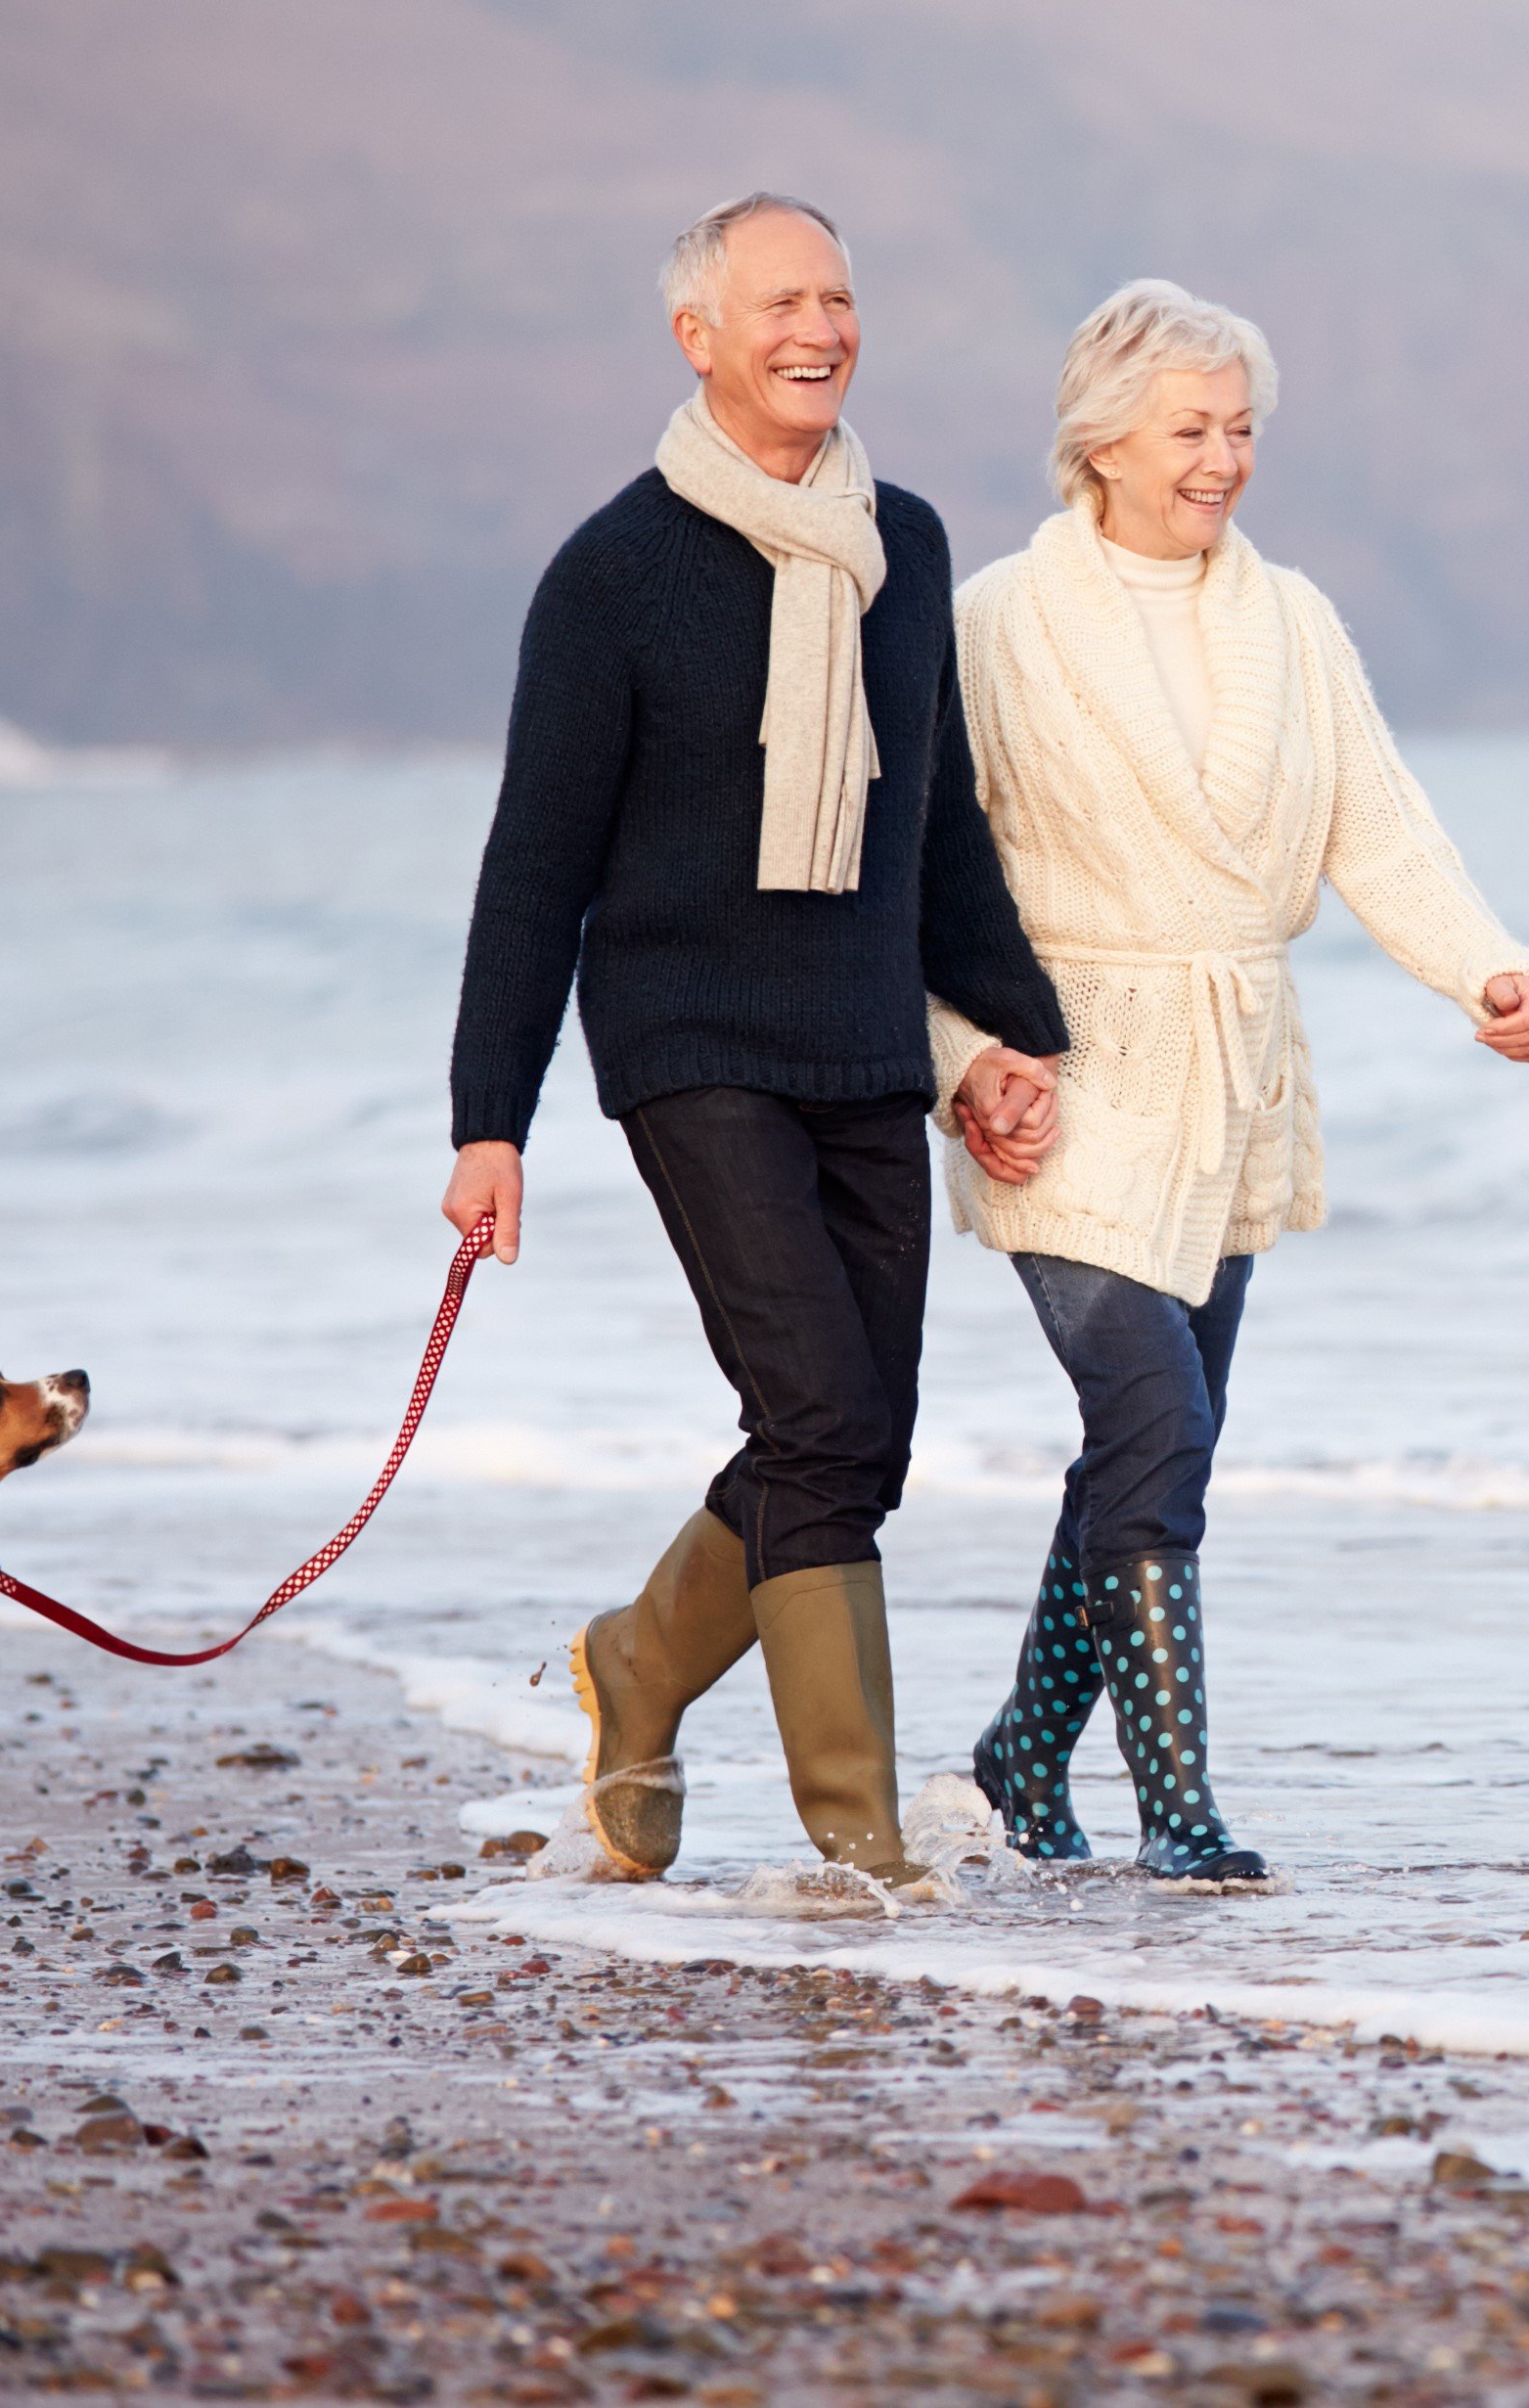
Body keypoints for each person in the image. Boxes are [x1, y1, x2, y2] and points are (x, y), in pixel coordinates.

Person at [441, 192, 1071, 1891]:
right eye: (782, 299)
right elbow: (535, 863)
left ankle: (637, 1663)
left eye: (842, 297)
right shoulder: (615, 574)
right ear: (697, 335)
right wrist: (487, 1118)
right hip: (689, 1041)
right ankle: (860, 1837)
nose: (821, 327)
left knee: (855, 1435)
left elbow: (935, 832)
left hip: (862, 1041)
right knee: (815, 1404)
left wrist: (1021, 1037)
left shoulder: (907, 546)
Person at [932, 278, 1529, 1887]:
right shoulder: (1002, 617)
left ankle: (1014, 1762)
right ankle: (1179, 1808)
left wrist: (1487, 967)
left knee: (1158, 1442)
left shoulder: (1292, 621)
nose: (1225, 459)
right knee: (1155, 1413)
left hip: (1235, 1072)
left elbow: (1380, 823)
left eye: (1242, 429)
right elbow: (932, 867)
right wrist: (962, 1058)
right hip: (1061, 1071)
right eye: (1193, 428)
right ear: (1104, 440)